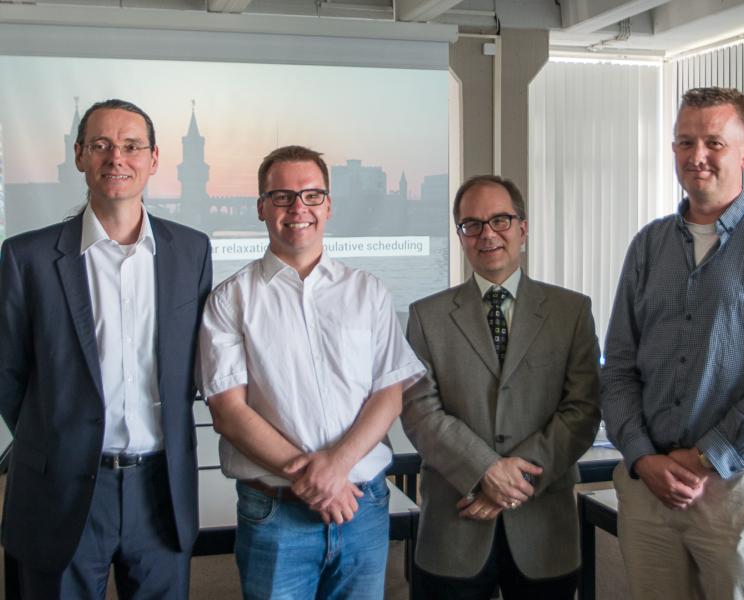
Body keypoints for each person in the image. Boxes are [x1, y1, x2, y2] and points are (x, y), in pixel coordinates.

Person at [0, 99, 212, 599]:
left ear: (155, 159)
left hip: (160, 490)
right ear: (79, 156)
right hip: (62, 489)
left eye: (132, 146)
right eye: (101, 145)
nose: (117, 157)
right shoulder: (25, 257)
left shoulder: (192, 250)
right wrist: (53, 439)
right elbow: (7, 375)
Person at [196, 145, 425, 599]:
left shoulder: (369, 292)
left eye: (311, 195)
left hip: (363, 506)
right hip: (275, 514)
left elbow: (389, 393)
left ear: (329, 205)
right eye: (282, 196)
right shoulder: (230, 299)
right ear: (261, 207)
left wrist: (335, 470)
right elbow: (228, 411)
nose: (298, 208)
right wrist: (315, 480)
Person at [602, 86, 744, 600]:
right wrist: (644, 458)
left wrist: (706, 458)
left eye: (714, 142)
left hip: (739, 488)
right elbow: (619, 365)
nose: (698, 156)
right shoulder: (648, 245)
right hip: (650, 488)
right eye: (685, 142)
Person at [401, 174, 601, 599]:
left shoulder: (572, 311)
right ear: (460, 235)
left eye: (500, 220)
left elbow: (582, 409)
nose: (487, 233)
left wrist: (513, 480)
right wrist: (485, 471)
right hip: (455, 524)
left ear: (523, 228)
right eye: (471, 224)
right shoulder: (425, 317)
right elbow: (420, 412)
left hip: (544, 524)